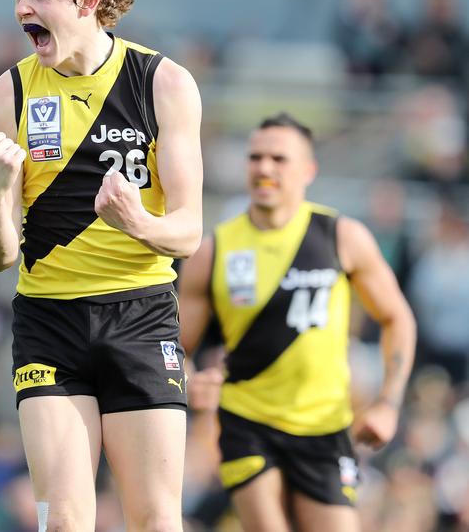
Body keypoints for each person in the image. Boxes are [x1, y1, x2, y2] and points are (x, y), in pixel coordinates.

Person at [0, 0, 203, 532]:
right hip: (49, 321)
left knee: (155, 518)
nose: (23, 8)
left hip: (141, 312)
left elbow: (188, 231)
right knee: (63, 520)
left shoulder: (163, 84)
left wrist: (137, 222)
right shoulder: (8, 96)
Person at [178, 113, 416, 532]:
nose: (264, 168)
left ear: (308, 170)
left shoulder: (341, 237)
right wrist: (190, 379)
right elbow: (176, 348)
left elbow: (397, 317)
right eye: (255, 157)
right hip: (247, 422)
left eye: (278, 158)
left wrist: (387, 403)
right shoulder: (214, 250)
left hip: (325, 426)